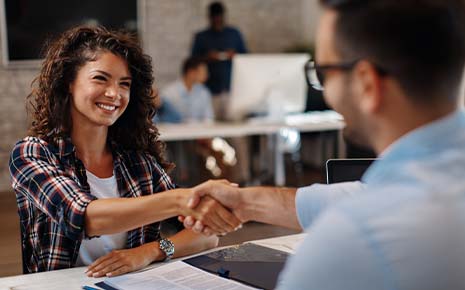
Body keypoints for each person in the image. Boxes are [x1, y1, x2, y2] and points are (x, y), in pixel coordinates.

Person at [182, 0, 465, 289]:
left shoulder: (350, 241)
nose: (325, 90)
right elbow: (359, 195)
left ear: (366, 84)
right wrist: (245, 203)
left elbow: (362, 209)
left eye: (324, 73)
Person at [8, 25, 241, 276]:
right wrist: (182, 200)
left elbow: (207, 235)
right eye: (101, 78)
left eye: (124, 84)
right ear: (68, 83)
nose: (114, 93)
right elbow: (85, 217)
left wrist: (150, 251)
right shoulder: (31, 153)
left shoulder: (139, 163)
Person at [191, 1, 247, 118]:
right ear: (209, 18)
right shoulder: (202, 37)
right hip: (209, 91)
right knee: (211, 128)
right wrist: (208, 57)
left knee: (235, 130)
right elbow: (192, 61)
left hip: (232, 89)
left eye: (219, 18)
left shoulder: (234, 34)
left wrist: (235, 55)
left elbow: (247, 57)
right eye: (214, 18)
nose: (217, 20)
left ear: (223, 16)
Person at [156, 57, 214, 123]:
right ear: (191, 72)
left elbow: (208, 119)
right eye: (203, 72)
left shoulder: (204, 92)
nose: (206, 76)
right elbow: (162, 119)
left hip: (198, 131)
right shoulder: (169, 92)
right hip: (174, 131)